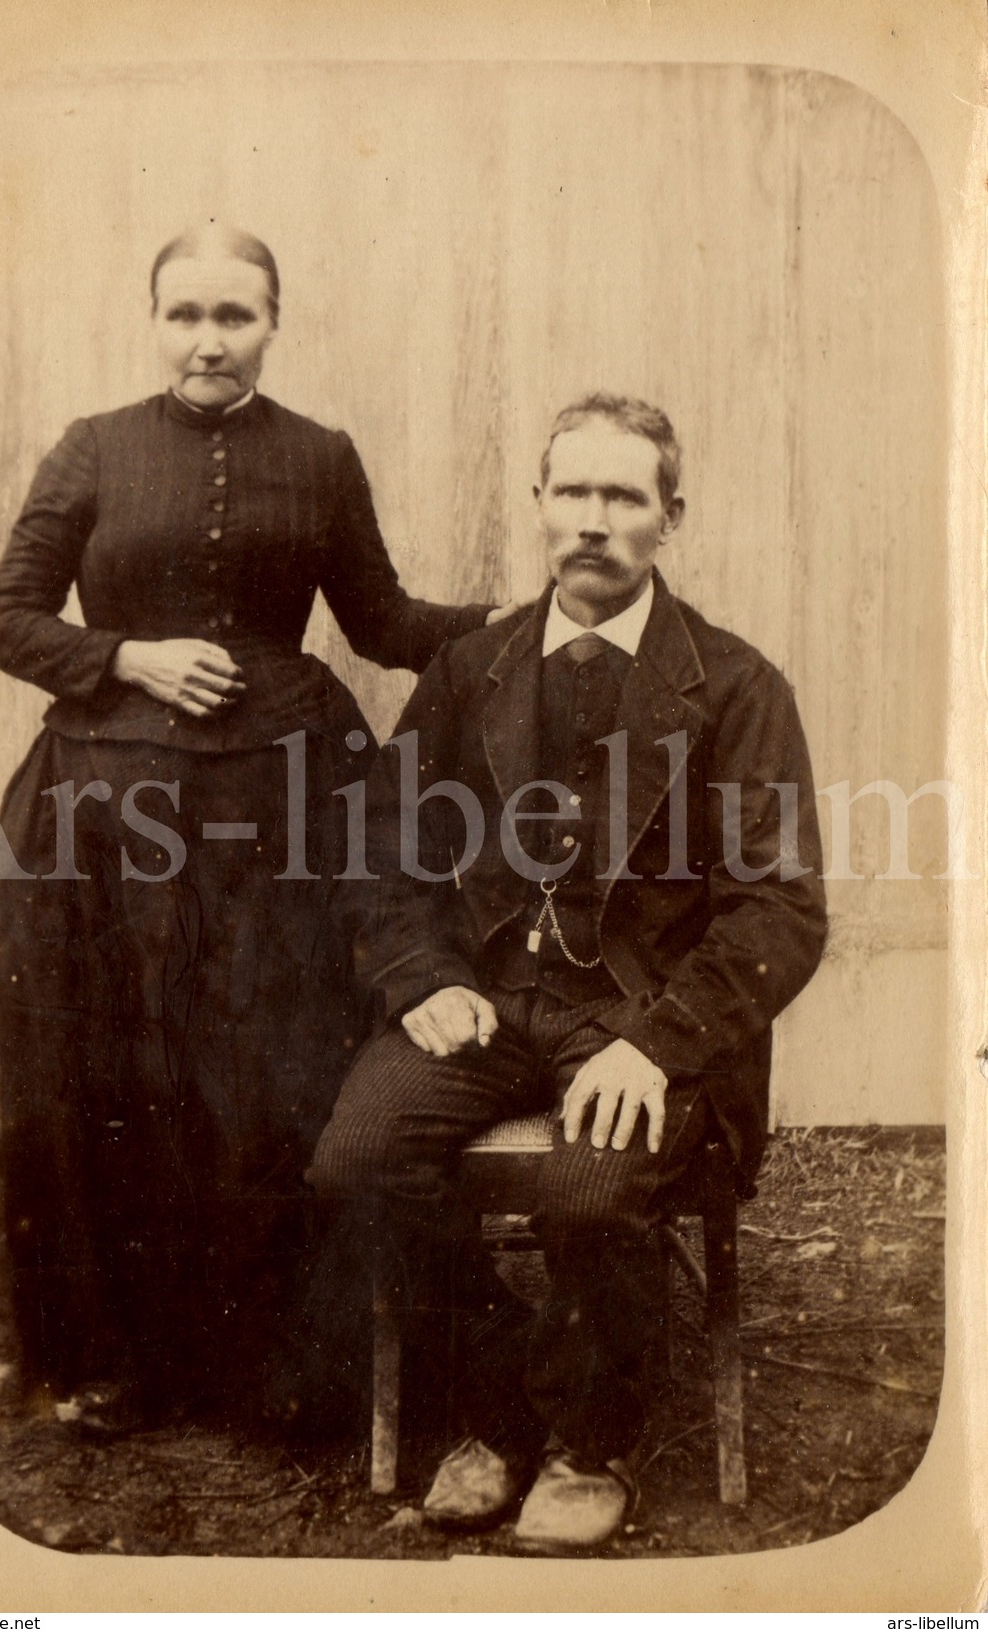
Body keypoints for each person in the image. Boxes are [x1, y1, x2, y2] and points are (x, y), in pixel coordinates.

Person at [0, 222, 500, 1431]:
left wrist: (522, 617)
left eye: (234, 316)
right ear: (154, 320)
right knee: (113, 1080)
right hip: (105, 816)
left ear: (273, 322)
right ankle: (118, 1359)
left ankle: (274, 1367)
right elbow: (6, 618)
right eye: (185, 315)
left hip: (281, 806)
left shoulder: (321, 456)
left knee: (262, 1079)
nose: (208, 340)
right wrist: (127, 658)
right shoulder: (93, 449)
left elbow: (377, 620)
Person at [310, 393, 828, 1549]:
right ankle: (491, 1407)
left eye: (623, 496)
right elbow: (384, 843)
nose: (593, 520)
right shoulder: (468, 668)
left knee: (585, 1192)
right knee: (358, 1158)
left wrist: (660, 1042)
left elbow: (780, 907)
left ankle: (589, 1439)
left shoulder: (737, 688)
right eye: (572, 493)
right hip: (488, 1003)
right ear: (539, 506)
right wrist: (418, 975)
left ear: (668, 517)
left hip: (647, 1020)